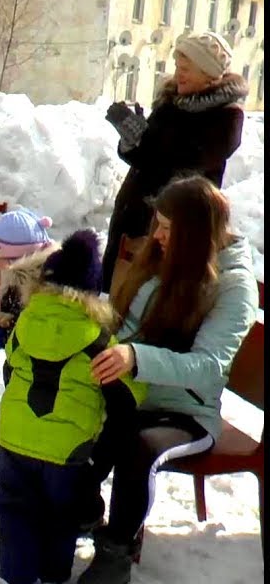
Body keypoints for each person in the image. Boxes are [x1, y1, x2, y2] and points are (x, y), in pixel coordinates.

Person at [77, 177, 258, 584]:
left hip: (186, 412)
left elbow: (209, 366)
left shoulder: (233, 286)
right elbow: (127, 322)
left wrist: (135, 357)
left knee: (137, 446)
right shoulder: (167, 258)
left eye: (166, 229)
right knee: (62, 399)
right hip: (135, 393)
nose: (155, 236)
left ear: (196, 233)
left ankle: (116, 551)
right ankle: (78, 508)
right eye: (157, 224)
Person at [0, 230, 147, 584]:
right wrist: (100, 459)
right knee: (60, 515)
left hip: (13, 439)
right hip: (68, 452)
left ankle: (17, 575)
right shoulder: (101, 340)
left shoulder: (24, 324)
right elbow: (127, 398)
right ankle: (53, 574)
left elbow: (10, 370)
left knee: (14, 509)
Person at [101, 32, 246, 293]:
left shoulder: (227, 118)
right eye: (177, 67)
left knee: (150, 298)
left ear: (208, 73)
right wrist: (132, 138)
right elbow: (143, 160)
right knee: (115, 292)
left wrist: (146, 143)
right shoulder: (170, 104)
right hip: (132, 217)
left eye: (186, 69)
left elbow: (185, 167)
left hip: (176, 224)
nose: (178, 74)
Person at [0, 209, 58, 348]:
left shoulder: (46, 285)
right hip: (19, 366)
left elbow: (44, 336)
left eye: (2, 259)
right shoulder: (14, 281)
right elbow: (14, 319)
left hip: (39, 368)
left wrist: (7, 334)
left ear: (19, 258)